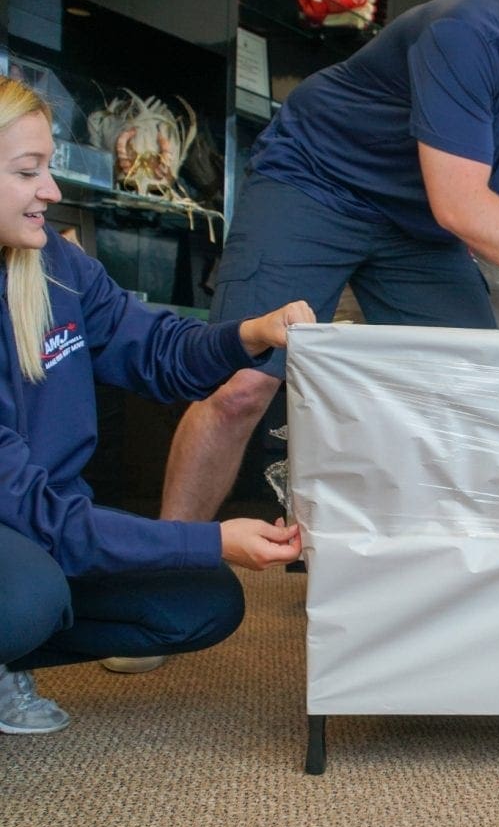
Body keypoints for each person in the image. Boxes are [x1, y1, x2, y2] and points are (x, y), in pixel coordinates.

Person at [160, 0, 499, 524]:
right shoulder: (470, 35)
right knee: (242, 386)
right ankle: (166, 556)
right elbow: (460, 205)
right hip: (317, 182)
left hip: (418, 232)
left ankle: (420, 561)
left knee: (474, 394)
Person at [0, 75, 315, 734]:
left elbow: (158, 353)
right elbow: (40, 518)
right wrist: (211, 538)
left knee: (199, 602)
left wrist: (250, 334)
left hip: (43, 523)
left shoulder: (56, 265)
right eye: (28, 173)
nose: (51, 191)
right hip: (26, 527)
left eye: (49, 168)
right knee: (26, 598)